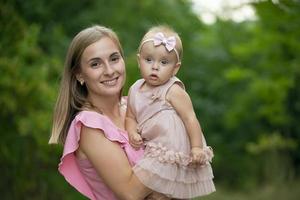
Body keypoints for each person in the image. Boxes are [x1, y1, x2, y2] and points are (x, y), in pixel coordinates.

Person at [48, 25, 154, 200]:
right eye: (95, 64)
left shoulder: (134, 105)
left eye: (114, 59)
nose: (110, 70)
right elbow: (131, 192)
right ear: (80, 75)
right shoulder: (90, 125)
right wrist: (172, 158)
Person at [125, 25, 216, 199]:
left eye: (164, 62)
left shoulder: (173, 90)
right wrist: (131, 130)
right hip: (152, 147)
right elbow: (130, 116)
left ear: (175, 68)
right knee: (154, 195)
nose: (155, 67)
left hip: (172, 150)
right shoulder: (135, 89)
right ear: (139, 61)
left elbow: (190, 119)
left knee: (155, 192)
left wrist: (196, 147)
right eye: (149, 60)